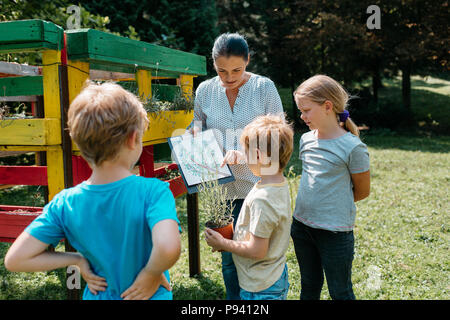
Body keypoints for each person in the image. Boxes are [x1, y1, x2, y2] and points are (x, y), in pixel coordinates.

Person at [5, 82, 181, 300]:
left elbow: (15, 259)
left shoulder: (65, 203)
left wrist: (76, 259)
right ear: (133, 138)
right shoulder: (153, 192)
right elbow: (168, 247)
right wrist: (151, 273)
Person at [188, 32, 284, 300]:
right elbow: (198, 123)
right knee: (229, 257)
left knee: (257, 253)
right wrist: (193, 133)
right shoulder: (205, 90)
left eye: (237, 70)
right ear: (213, 65)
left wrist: (245, 153)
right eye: (221, 71)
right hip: (223, 189)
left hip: (258, 186)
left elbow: (278, 133)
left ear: (248, 60)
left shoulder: (264, 88)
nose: (229, 77)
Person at [290, 75, 371, 300]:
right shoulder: (305, 140)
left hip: (335, 234)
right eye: (300, 110)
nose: (302, 116)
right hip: (302, 227)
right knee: (308, 286)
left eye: (306, 110)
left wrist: (330, 206)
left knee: (340, 291)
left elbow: (362, 191)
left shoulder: (353, 147)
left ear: (327, 106)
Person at [205, 114, 294, 300]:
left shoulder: (263, 200)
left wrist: (223, 244)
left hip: (261, 288)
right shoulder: (276, 182)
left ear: (259, 156)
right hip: (272, 275)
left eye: (247, 151)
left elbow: (257, 250)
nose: (245, 156)